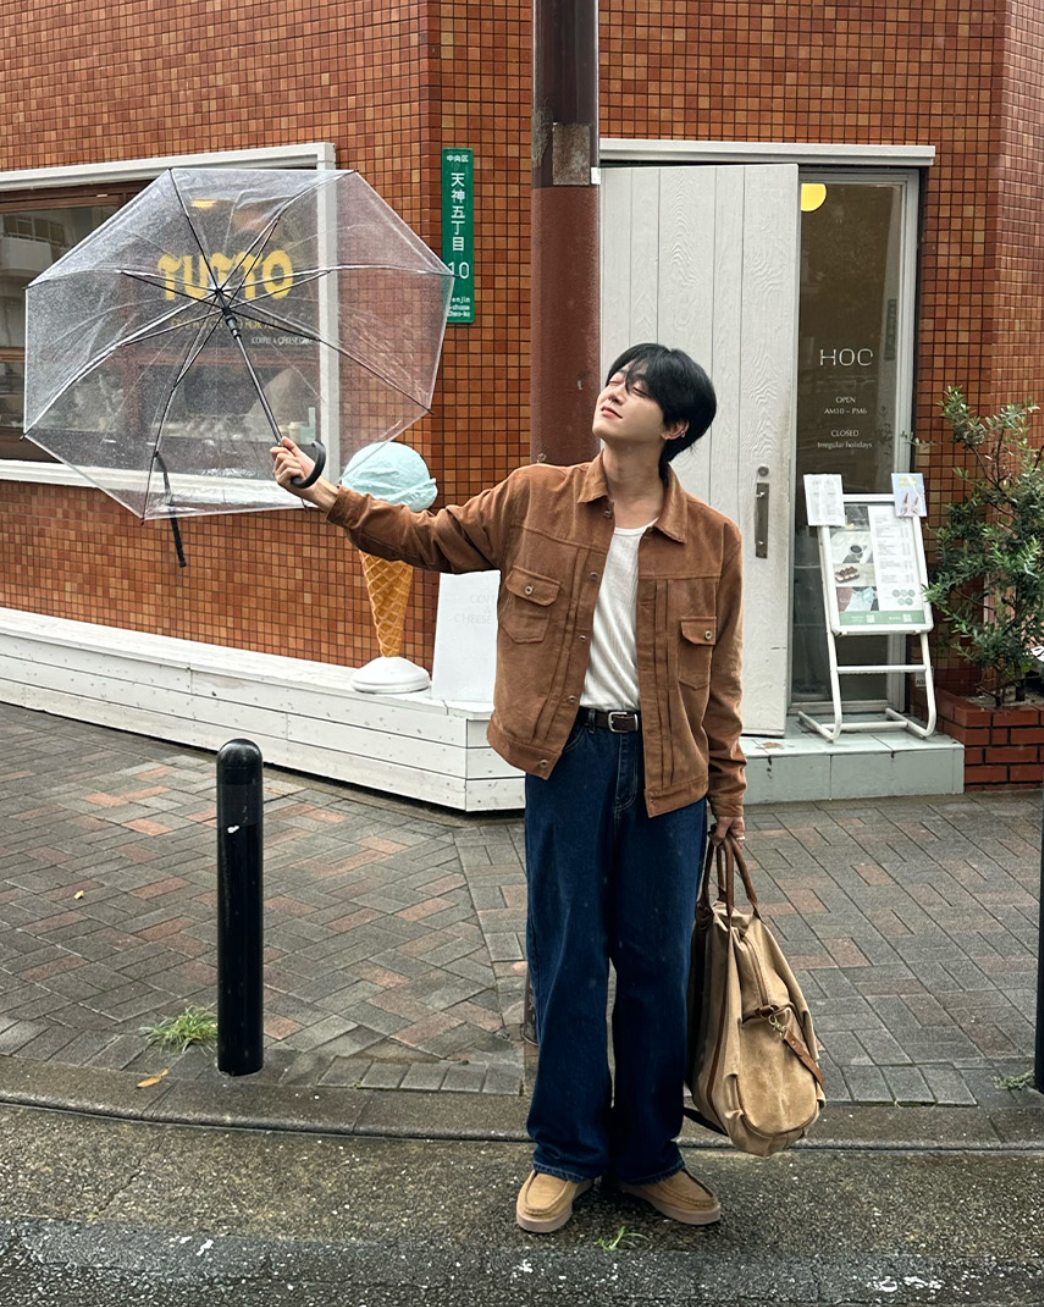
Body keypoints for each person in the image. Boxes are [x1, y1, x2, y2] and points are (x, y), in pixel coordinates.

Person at [271, 343, 746, 1233]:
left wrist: (729, 802)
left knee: (656, 969)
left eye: (641, 388)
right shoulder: (535, 497)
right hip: (569, 762)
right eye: (616, 375)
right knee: (568, 963)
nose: (616, 389)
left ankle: (649, 1156)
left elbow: (721, 682)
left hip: (671, 778)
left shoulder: (713, 538)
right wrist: (321, 491)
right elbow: (426, 537)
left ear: (675, 426)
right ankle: (565, 1153)